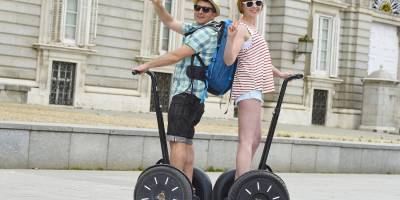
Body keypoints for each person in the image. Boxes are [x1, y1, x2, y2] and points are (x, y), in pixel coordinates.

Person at [132, 0, 220, 189]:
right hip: (195, 96)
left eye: (206, 9)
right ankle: (185, 190)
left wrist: (146, 65)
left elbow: (175, 55)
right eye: (197, 7)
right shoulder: (198, 28)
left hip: (186, 95)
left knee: (176, 142)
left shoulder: (205, 33)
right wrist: (158, 5)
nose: (200, 12)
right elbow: (170, 22)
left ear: (214, 14)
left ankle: (175, 188)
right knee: (185, 143)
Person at [224, 0, 291, 180]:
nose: (254, 6)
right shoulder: (242, 29)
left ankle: (241, 178)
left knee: (255, 139)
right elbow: (229, 60)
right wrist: (230, 40)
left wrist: (279, 73)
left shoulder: (253, 29)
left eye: (258, 2)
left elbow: (260, 59)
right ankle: (241, 184)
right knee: (246, 140)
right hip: (247, 86)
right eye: (249, 3)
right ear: (241, 6)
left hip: (255, 87)